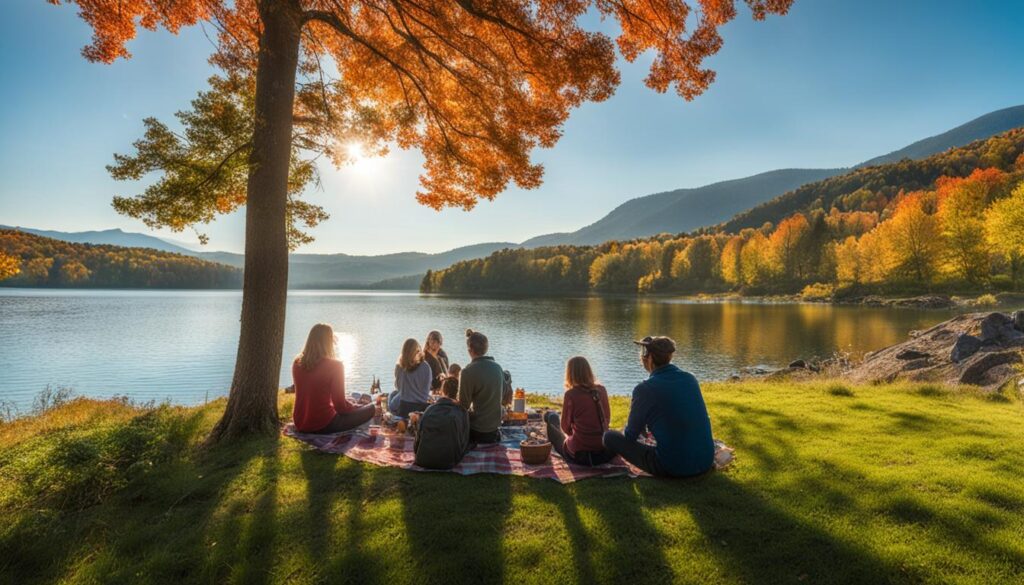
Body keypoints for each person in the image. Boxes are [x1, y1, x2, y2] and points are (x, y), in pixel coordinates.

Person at [603, 336, 715, 477]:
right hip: (705, 461)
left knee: (609, 437)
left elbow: (630, 435)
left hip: (673, 467)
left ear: (649, 358)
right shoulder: (690, 378)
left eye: (643, 356)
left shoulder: (644, 389)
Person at [291, 323, 374, 434]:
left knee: (352, 401)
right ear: (329, 342)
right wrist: (356, 407)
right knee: (371, 409)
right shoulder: (336, 366)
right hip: (324, 425)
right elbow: (340, 407)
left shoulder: (297, 363)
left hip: (300, 422)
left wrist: (352, 405)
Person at [544, 357, 614, 466]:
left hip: (580, 455)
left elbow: (565, 428)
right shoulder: (602, 390)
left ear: (569, 374)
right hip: (603, 451)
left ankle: (550, 418)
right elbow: (607, 419)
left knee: (551, 418)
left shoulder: (571, 395)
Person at [457, 329, 505, 443]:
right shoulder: (498, 368)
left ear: (470, 350)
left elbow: (464, 405)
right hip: (494, 429)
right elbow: (501, 396)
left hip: (476, 430)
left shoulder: (467, 372)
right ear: (486, 348)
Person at [414, 376, 470, 469]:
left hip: (423, 459)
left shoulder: (429, 409)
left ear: (442, 391)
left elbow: (418, 438)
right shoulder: (462, 411)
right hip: (449, 461)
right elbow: (465, 439)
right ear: (458, 393)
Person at [388, 338, 433, 417]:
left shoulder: (399, 366)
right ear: (418, 351)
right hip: (421, 408)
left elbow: (398, 387)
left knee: (392, 395)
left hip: (404, 408)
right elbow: (427, 389)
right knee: (394, 394)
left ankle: (391, 414)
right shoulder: (426, 367)